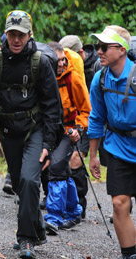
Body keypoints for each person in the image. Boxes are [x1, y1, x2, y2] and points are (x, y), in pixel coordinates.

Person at [0, 10, 62, 258]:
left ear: (30, 35)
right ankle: (37, 230)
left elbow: (52, 106)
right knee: (19, 184)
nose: (16, 40)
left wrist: (49, 142)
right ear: (5, 34)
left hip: (34, 130)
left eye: (21, 35)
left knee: (29, 180)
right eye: (12, 34)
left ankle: (25, 239)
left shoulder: (41, 62)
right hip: (8, 132)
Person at [87, 25, 136, 259]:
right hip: (117, 146)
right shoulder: (100, 78)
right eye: (98, 46)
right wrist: (93, 155)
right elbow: (96, 117)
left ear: (121, 50)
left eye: (104, 47)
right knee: (119, 203)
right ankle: (130, 254)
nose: (99, 51)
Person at [42, 42, 90, 235]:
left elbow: (86, 109)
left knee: (55, 169)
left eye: (63, 59)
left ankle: (53, 217)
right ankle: (73, 211)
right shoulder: (43, 77)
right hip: (47, 130)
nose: (62, 63)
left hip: (68, 131)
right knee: (61, 170)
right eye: (58, 60)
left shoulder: (73, 79)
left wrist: (79, 127)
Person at [58, 34, 95, 217]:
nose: (64, 63)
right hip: (71, 121)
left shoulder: (95, 68)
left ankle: (80, 204)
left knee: (75, 159)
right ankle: (63, 201)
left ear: (80, 53)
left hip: (90, 119)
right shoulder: (63, 70)